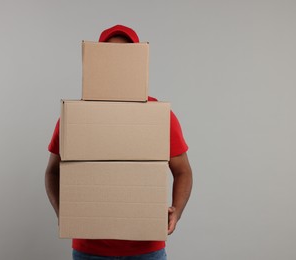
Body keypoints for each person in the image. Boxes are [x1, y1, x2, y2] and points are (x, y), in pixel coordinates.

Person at [45, 25, 193, 260]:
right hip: (90, 249)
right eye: (110, 56)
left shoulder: (157, 114)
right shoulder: (76, 115)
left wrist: (177, 211)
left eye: (125, 57)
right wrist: (63, 212)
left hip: (147, 249)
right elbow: (52, 172)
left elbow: (183, 171)